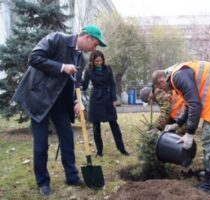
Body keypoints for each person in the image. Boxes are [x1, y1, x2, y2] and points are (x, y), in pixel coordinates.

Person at [12, 24, 107, 196]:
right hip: (40, 98)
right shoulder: (57, 39)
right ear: (86, 37)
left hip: (60, 103)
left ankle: (72, 176)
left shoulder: (82, 59)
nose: (96, 48)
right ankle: (43, 182)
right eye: (95, 43)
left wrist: (76, 102)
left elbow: (75, 83)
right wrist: (62, 67)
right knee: (41, 144)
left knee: (67, 139)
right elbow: (34, 58)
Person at [152, 61, 210, 194]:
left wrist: (190, 133)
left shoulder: (177, 76)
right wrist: (177, 123)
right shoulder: (178, 74)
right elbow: (188, 103)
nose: (167, 92)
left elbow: (195, 104)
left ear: (162, 81)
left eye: (162, 89)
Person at [81, 50, 129, 157]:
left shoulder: (108, 69)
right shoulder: (88, 70)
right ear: (92, 61)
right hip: (95, 99)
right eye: (96, 61)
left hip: (107, 98)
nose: (99, 63)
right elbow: (84, 86)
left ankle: (121, 149)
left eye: (100, 61)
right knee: (96, 127)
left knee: (114, 124)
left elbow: (112, 84)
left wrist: (113, 99)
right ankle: (99, 151)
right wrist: (78, 80)